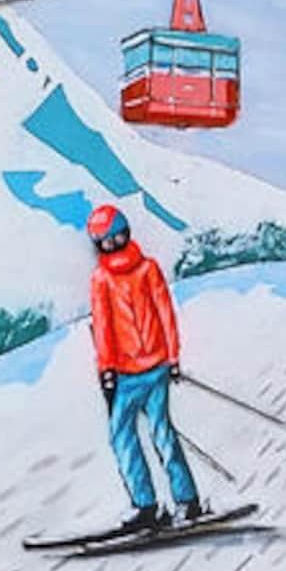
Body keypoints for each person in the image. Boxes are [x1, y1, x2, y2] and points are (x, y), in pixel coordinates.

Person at [86, 204, 202, 534]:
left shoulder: (143, 270)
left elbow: (164, 312)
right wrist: (108, 368)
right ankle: (158, 503)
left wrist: (173, 357)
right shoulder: (103, 279)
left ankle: (173, 502)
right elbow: (105, 327)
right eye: (106, 241)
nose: (113, 246)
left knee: (150, 434)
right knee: (133, 435)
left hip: (148, 370)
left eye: (115, 238)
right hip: (132, 372)